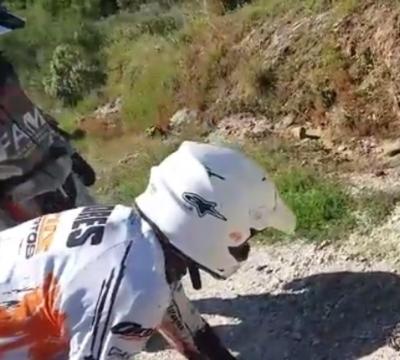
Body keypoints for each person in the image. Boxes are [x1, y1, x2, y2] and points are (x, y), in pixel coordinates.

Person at [0, 141, 297, 359]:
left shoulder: (131, 236)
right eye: (245, 240)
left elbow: (190, 329)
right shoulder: (136, 286)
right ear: (217, 226)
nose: (244, 248)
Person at [0, 4, 97, 229]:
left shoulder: (4, 73)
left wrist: (71, 155)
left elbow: (34, 120)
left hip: (69, 187)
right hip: (25, 223)